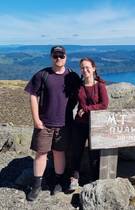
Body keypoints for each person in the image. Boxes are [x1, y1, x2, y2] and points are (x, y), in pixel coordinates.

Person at [24, 46, 80, 201]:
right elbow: (33, 95)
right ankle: (36, 186)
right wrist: (36, 119)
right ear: (51, 57)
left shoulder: (72, 76)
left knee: (59, 153)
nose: (58, 59)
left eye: (61, 56)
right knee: (41, 153)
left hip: (64, 124)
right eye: (55, 56)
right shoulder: (43, 74)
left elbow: (81, 94)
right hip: (45, 123)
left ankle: (58, 181)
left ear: (66, 57)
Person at [69, 57, 109, 191]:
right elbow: (71, 102)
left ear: (93, 68)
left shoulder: (100, 85)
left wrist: (86, 109)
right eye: (82, 68)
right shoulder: (79, 86)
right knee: (76, 152)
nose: (84, 70)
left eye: (87, 67)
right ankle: (74, 178)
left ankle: (93, 179)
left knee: (94, 153)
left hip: (95, 124)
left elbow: (104, 105)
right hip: (79, 124)